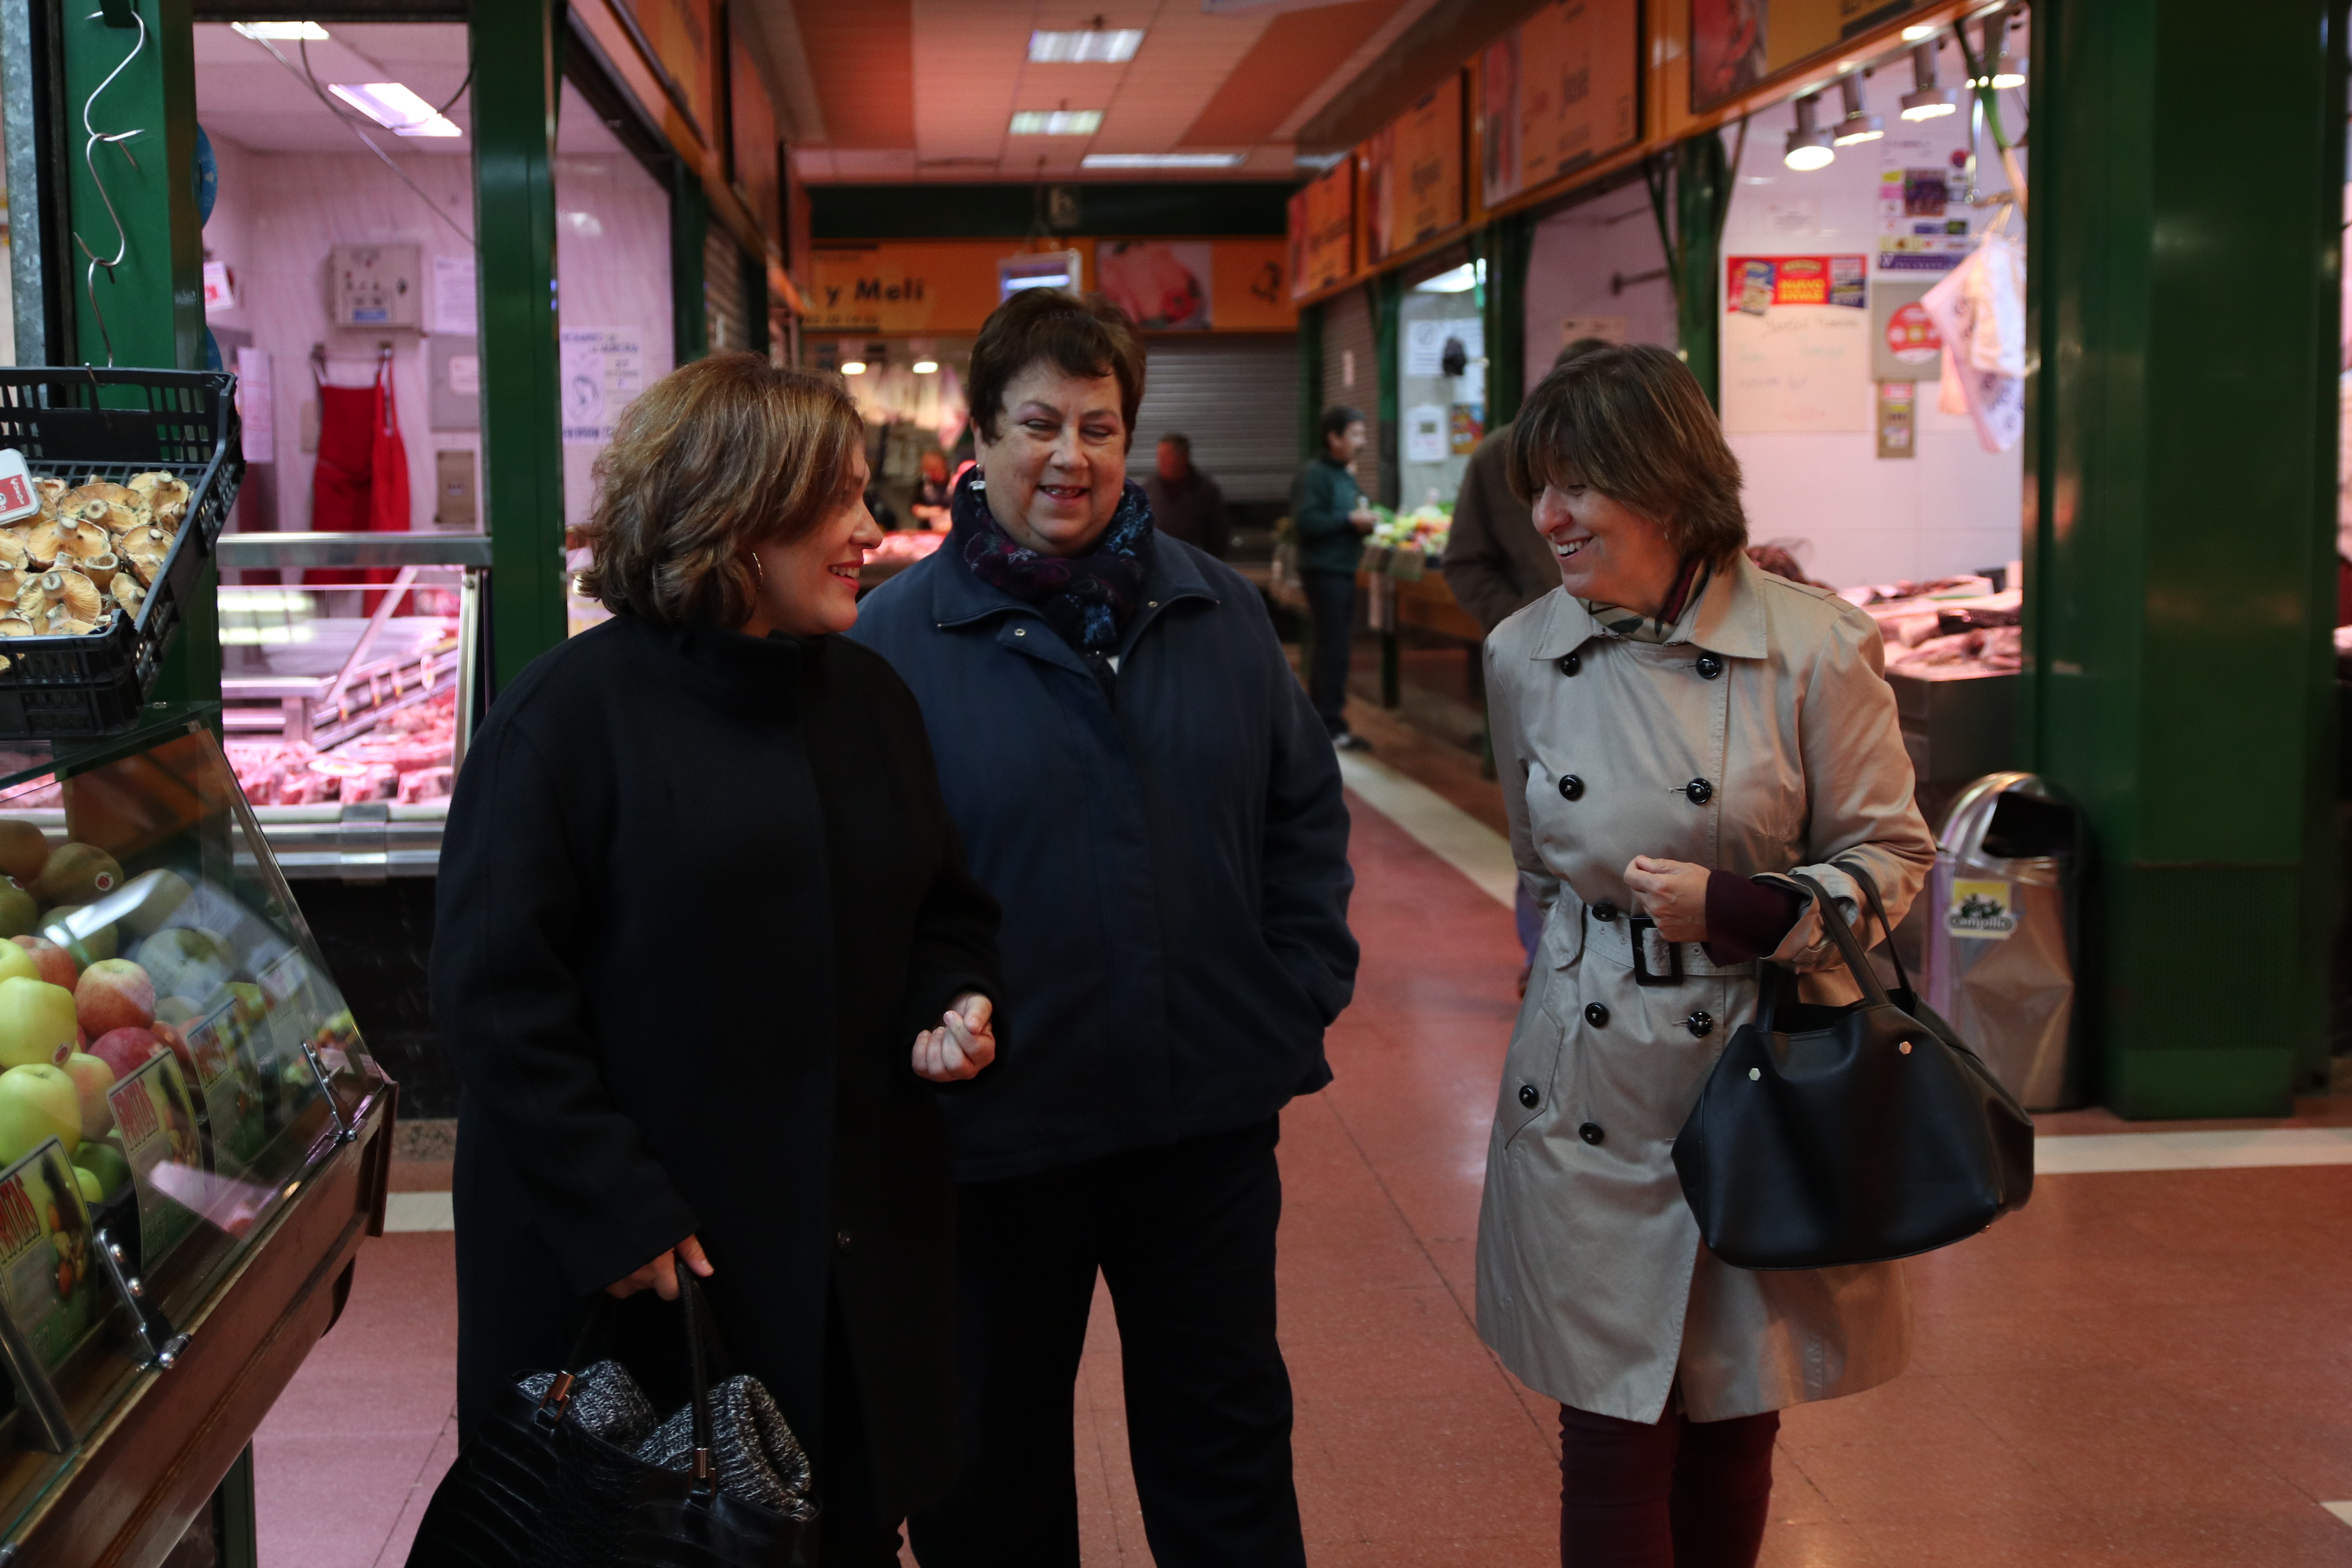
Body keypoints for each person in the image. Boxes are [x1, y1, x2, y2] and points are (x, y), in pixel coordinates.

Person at [430, 354, 1002, 1566]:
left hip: (853, 1264)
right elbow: (495, 999)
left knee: (843, 1527)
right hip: (656, 1276)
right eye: (835, 499)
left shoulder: (869, 700)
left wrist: (948, 999)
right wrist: (611, 1201)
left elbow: (942, 907)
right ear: (736, 516)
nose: (867, 530)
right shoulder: (564, 721)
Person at [851, 287, 1358, 1568]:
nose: (1068, 457)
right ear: (980, 436)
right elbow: (862, 883)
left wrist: (1292, 984)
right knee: (989, 1469)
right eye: (1038, 425)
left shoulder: (1216, 612)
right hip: (995, 1133)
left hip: (1203, 1119)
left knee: (1224, 1453)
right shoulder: (893, 643)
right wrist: (920, 1022)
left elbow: (1302, 810)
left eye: (1098, 426)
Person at [1473, 345, 1935, 1567]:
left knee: (1734, 1408)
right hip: (1587, 1079)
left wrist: (1742, 908)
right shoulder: (1521, 652)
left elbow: (1895, 856)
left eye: (1576, 485)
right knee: (1606, 1420)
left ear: (1666, 485)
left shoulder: (1815, 647)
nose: (1547, 516)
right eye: (1539, 486)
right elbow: (1537, 863)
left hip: (1756, 1067)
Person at [1445, 336, 1616, 985]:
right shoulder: (1498, 456)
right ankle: (1546, 952)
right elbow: (1464, 562)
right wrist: (1525, 625)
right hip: (1542, 668)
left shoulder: (1631, 460)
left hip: (1633, 657)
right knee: (1543, 810)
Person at [1291, 406, 1379, 750]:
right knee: (1333, 650)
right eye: (1355, 434)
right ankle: (1328, 725)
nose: (1362, 441)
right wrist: (1348, 521)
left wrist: (1363, 521)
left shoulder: (1345, 474)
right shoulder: (1314, 475)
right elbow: (1306, 521)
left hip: (1342, 569)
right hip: (1324, 570)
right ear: (1334, 438)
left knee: (1335, 648)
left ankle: (1325, 722)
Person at [1141, 432, 1230, 558]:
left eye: (1166, 455)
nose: (1160, 461)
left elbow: (1218, 533)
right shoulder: (1149, 489)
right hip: (1158, 561)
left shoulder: (1205, 491)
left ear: (1183, 458)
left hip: (1193, 561)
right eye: (1159, 455)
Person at [910, 447, 954, 530]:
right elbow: (915, 508)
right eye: (928, 469)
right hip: (929, 529)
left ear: (944, 465)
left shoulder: (957, 480)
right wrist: (928, 512)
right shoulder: (923, 483)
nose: (932, 472)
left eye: (935, 468)